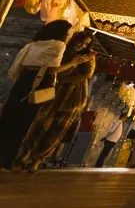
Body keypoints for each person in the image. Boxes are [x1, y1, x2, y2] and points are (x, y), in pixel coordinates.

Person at [16, 30, 97, 171]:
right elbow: (52, 70)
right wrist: (72, 65)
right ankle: (23, 156)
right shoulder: (62, 50)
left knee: (57, 130)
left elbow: (87, 74)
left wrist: (65, 79)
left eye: (85, 44)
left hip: (72, 97)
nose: (81, 45)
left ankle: (37, 160)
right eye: (80, 41)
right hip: (51, 91)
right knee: (38, 124)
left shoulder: (88, 56)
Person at [0, 20, 71, 171]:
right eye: (68, 33)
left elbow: (17, 68)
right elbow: (52, 70)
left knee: (7, 120)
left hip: (22, 82)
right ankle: (6, 162)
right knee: (22, 124)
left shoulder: (32, 45)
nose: (69, 36)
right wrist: (75, 63)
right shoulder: (58, 45)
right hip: (39, 84)